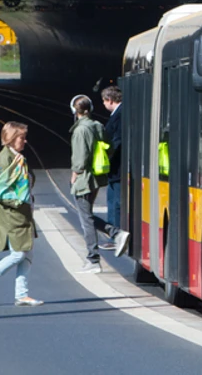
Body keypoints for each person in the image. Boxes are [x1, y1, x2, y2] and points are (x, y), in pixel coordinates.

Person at [0, 122, 43, 307]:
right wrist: (18, 201)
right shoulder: (3, 160)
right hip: (12, 213)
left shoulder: (19, 158)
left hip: (24, 212)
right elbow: (1, 191)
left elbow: (27, 180)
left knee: (28, 252)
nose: (24, 141)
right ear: (10, 138)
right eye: (21, 138)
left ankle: (21, 294)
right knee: (18, 253)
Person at [69, 95, 127, 274]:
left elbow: (80, 158)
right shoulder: (98, 126)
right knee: (87, 215)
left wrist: (75, 173)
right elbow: (108, 145)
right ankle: (115, 233)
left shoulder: (80, 130)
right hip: (96, 176)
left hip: (84, 178)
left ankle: (93, 258)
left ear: (74, 110)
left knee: (85, 219)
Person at [98, 86, 130, 252]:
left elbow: (116, 141)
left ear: (110, 100)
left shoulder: (119, 115)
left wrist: (107, 157)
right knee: (114, 200)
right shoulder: (121, 112)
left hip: (117, 168)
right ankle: (116, 233)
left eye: (104, 101)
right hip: (118, 168)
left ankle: (115, 235)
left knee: (114, 202)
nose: (103, 105)